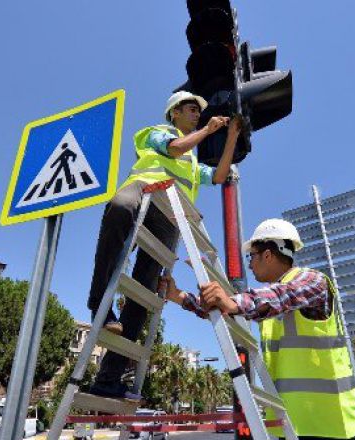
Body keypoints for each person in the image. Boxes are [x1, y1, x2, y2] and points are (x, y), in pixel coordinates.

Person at [87, 91, 241, 399]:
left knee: (142, 295)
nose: (197, 113)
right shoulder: (157, 133)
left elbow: (220, 175)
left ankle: (109, 379)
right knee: (120, 208)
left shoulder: (193, 164)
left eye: (199, 110)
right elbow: (172, 149)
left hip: (170, 217)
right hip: (144, 192)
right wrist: (208, 130)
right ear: (174, 113)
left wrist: (232, 137)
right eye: (190, 108)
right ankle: (97, 304)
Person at [162, 218, 355, 440]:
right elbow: (229, 311)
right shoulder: (267, 302)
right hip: (291, 427)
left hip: (336, 427)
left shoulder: (311, 280)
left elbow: (281, 296)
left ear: (268, 255)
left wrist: (231, 302)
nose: (249, 265)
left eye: (252, 256)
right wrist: (178, 296)